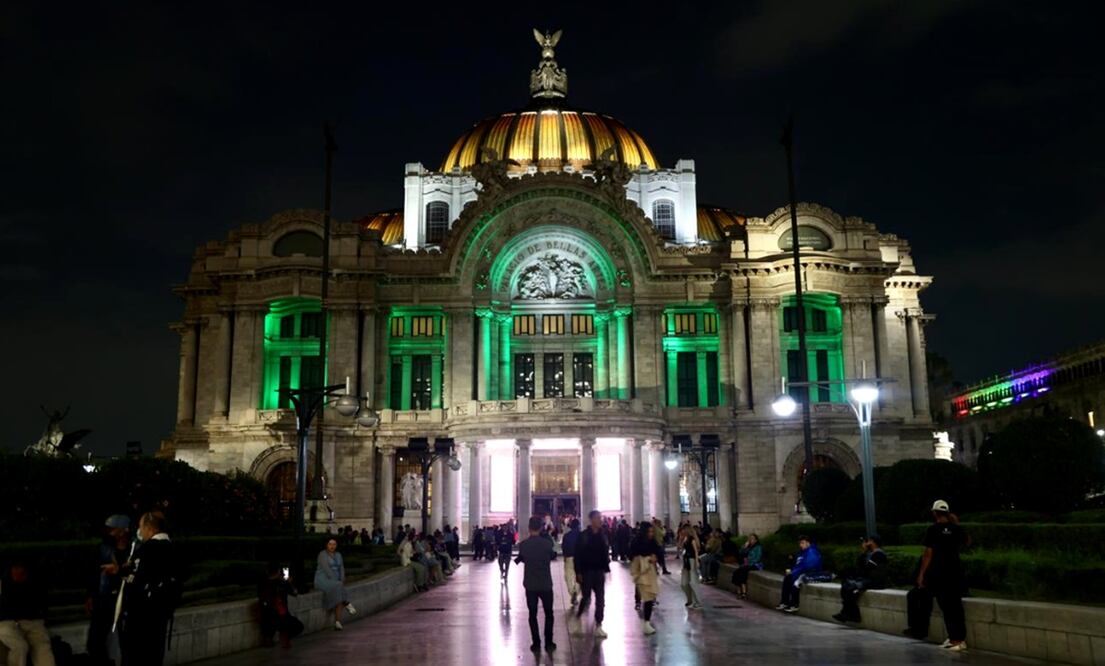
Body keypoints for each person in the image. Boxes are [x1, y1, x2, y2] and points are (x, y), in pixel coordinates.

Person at [905, 500, 970, 652]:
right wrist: (955, 525)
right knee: (955, 606)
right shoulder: (956, 529)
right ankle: (956, 638)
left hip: (940, 573)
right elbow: (967, 541)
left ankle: (957, 639)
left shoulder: (933, 530)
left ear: (934, 513)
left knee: (947, 607)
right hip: (955, 572)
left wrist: (921, 574)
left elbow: (928, 554)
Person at [120, 511, 180, 666]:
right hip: (161, 615)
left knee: (135, 656)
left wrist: (124, 571)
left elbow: (135, 580)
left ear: (149, 528)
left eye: (140, 526)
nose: (139, 531)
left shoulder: (148, 549)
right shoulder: (172, 548)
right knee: (154, 656)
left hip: (141, 617)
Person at [86, 514, 131, 665]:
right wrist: (91, 596)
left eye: (113, 530)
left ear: (123, 531)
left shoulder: (133, 549)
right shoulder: (103, 548)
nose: (110, 533)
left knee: (126, 642)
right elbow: (94, 574)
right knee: (95, 641)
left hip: (125, 600)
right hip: (104, 599)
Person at [0, 561, 55, 666]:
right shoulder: (3, 581)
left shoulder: (36, 581)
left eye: (22, 571)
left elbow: (42, 605)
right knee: (19, 646)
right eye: (15, 569)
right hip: (6, 622)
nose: (18, 573)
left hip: (32, 621)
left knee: (42, 646)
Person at [515, 517, 557, 653]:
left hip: (531, 584)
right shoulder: (546, 544)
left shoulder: (524, 545)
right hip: (545, 583)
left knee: (532, 614)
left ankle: (536, 642)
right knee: (549, 614)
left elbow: (521, 558)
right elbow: (552, 555)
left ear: (529, 528)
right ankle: (549, 642)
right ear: (541, 528)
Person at [833, 534, 889, 623]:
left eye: (868, 541)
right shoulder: (871, 554)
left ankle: (851, 615)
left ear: (873, 542)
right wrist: (863, 552)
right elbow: (860, 567)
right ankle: (849, 614)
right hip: (869, 579)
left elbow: (866, 569)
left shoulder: (878, 554)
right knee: (846, 586)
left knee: (849, 587)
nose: (866, 543)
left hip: (875, 582)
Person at [574, 510, 611, 638]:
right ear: (591, 520)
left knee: (601, 599)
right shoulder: (583, 536)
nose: (600, 520)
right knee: (586, 597)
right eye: (598, 518)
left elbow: (605, 552)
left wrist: (606, 567)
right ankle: (578, 615)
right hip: (587, 571)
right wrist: (578, 572)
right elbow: (577, 555)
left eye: (601, 517)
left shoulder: (603, 535)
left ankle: (599, 625)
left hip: (599, 571)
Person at [314, 538, 357, 631]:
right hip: (323, 578)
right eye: (330, 544)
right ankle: (347, 603)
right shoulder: (322, 555)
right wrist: (337, 582)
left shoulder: (338, 555)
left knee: (338, 594)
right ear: (326, 545)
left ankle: (337, 622)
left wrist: (341, 579)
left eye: (334, 544)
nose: (332, 546)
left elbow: (341, 568)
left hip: (336, 581)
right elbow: (327, 569)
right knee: (338, 587)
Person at [258, 562, 302, 649]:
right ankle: (283, 635)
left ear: (267, 571)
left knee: (269, 614)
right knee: (298, 626)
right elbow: (295, 593)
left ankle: (269, 637)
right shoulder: (282, 583)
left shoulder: (262, 583)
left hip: (266, 616)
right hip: (280, 615)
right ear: (278, 571)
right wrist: (289, 583)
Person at [776, 535, 822, 614]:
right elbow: (797, 564)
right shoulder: (801, 552)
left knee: (796, 582)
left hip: (810, 573)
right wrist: (791, 570)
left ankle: (794, 604)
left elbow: (808, 565)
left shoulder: (812, 551)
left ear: (808, 543)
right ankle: (784, 602)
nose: (801, 545)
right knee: (787, 578)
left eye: (802, 543)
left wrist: (794, 572)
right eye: (800, 543)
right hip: (799, 572)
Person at [630, 523, 660, 635]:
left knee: (649, 597)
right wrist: (647, 558)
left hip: (650, 571)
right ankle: (646, 623)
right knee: (647, 596)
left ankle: (647, 622)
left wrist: (654, 557)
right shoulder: (636, 542)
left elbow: (658, 552)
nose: (651, 534)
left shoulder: (652, 542)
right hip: (641, 571)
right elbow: (633, 556)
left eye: (652, 532)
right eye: (649, 532)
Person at [731, 533, 763, 599]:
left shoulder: (758, 547)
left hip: (754, 564)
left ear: (756, 540)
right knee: (736, 572)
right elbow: (740, 554)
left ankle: (744, 592)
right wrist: (744, 547)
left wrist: (749, 563)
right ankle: (739, 591)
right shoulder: (747, 547)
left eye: (752, 539)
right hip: (745, 564)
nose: (751, 540)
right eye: (750, 539)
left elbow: (757, 558)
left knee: (743, 571)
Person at [680, 525, 703, 609]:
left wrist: (697, 561)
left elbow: (696, 551)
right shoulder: (685, 539)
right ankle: (690, 599)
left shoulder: (692, 539)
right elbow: (681, 548)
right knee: (684, 583)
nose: (682, 531)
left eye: (683, 530)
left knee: (693, 582)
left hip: (692, 560)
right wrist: (680, 539)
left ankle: (697, 602)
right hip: (686, 561)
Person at [560, 518, 582, 606]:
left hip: (569, 558)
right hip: (580, 559)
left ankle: (572, 592)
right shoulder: (582, 535)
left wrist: (565, 556)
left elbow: (563, 547)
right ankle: (576, 592)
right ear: (579, 526)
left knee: (568, 577)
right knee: (579, 577)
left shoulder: (566, 536)